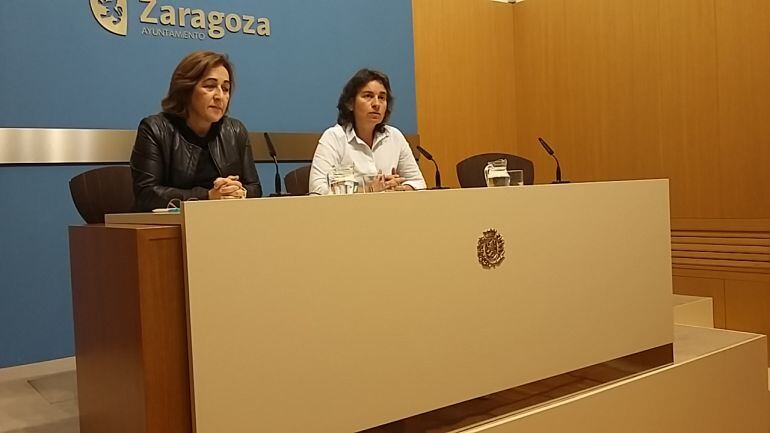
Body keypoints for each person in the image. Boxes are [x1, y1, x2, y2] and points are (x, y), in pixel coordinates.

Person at [130, 51, 262, 211]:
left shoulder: (235, 130)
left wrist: (235, 191)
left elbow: (254, 188)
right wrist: (208, 196)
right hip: (174, 228)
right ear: (186, 89)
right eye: (210, 86)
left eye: (225, 89)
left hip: (227, 223)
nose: (220, 96)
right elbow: (147, 195)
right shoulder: (155, 129)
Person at [309, 69, 426, 194]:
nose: (376, 104)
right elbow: (317, 191)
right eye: (368, 96)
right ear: (350, 103)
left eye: (382, 97)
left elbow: (418, 183)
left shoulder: (394, 136)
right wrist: (368, 190)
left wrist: (396, 188)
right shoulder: (334, 137)